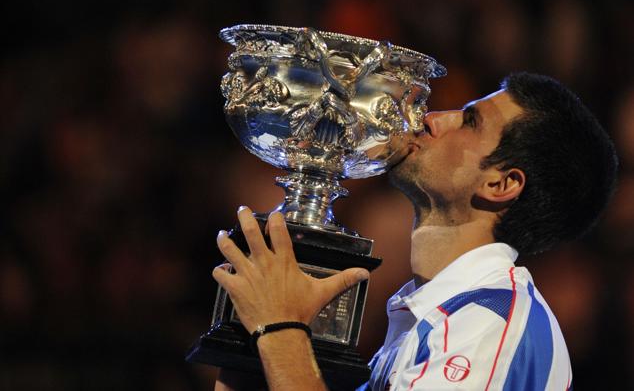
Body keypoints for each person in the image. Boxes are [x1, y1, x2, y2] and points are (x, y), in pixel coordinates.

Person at [211, 72, 617, 390]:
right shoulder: (432, 313)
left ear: (500, 184)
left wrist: (281, 328)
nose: (434, 118)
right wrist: (247, 349)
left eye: (469, 122)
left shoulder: (488, 325)